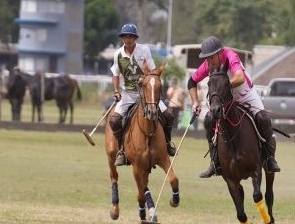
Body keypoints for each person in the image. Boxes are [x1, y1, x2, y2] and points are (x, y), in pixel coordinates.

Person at [188, 36, 280, 178]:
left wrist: (224, 87)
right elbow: (191, 82)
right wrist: (195, 102)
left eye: (210, 57)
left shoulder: (230, 56)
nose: (208, 61)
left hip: (245, 95)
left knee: (264, 119)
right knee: (208, 121)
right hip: (225, 100)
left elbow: (239, 77)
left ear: (219, 53)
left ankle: (269, 158)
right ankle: (215, 162)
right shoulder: (208, 64)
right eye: (206, 58)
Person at [109, 23, 176, 166]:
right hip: (128, 94)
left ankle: (168, 143)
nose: (128, 39)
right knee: (114, 120)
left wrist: (144, 79)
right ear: (122, 38)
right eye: (125, 36)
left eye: (131, 36)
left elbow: (152, 71)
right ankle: (121, 150)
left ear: (135, 38)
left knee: (168, 116)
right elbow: (115, 74)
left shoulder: (143, 50)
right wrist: (116, 91)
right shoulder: (118, 54)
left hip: (146, 94)